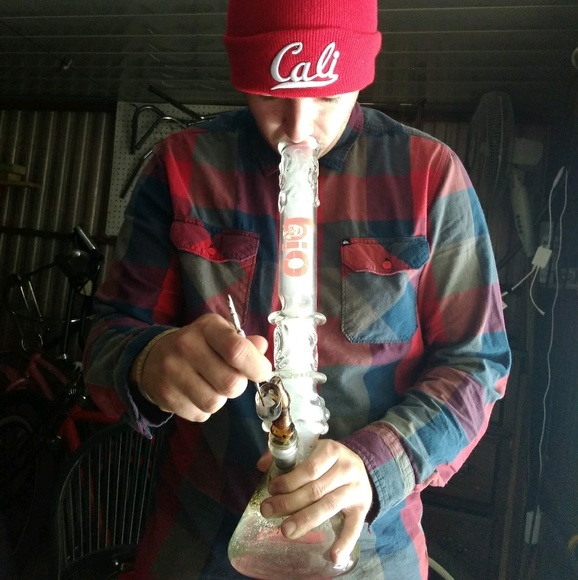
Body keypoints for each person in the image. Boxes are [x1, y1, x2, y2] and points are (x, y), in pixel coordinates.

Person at [83, 0, 511, 578]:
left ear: (361, 76)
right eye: (271, 96)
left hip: (370, 550)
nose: (299, 129)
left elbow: (477, 364)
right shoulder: (181, 166)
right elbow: (106, 338)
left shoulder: (430, 175)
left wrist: (376, 464)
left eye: (328, 96)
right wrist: (147, 363)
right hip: (199, 538)